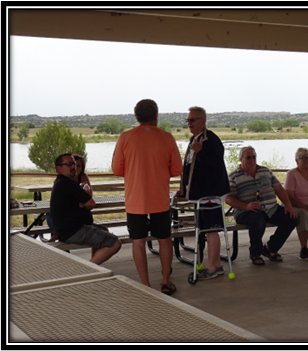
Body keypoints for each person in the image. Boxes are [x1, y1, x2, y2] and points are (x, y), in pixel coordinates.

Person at [112, 99, 183, 294]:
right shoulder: (167, 138)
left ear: (136, 117)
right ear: (156, 115)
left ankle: (145, 284)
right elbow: (177, 169)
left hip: (135, 201)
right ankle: (166, 281)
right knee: (164, 239)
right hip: (159, 198)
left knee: (138, 241)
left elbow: (117, 169)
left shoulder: (125, 138)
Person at [179, 106, 230, 280]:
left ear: (203, 121)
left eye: (193, 120)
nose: (189, 123)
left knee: (211, 230)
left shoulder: (211, 140)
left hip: (210, 194)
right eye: (188, 120)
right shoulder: (195, 139)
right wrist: (184, 187)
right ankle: (215, 264)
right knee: (205, 229)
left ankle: (212, 266)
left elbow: (216, 165)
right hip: (199, 195)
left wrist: (200, 153)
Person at [225, 146, 298, 265]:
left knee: (292, 218)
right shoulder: (234, 176)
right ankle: (255, 253)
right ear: (240, 159)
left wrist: (288, 206)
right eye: (248, 157)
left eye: (254, 157)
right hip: (246, 211)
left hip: (271, 208)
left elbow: (279, 189)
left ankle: (270, 248)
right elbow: (228, 199)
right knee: (257, 221)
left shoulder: (265, 171)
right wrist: (246, 206)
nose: (252, 160)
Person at [50, 153, 121, 264]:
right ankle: (90, 269)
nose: (73, 167)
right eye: (68, 164)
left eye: (74, 163)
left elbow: (88, 202)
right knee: (115, 243)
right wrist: (85, 203)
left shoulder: (61, 183)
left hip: (71, 229)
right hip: (74, 231)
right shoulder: (68, 184)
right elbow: (91, 203)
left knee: (103, 230)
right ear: (59, 168)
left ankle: (95, 265)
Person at [47, 153, 92, 241]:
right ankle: (57, 234)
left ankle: (58, 235)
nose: (75, 167)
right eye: (70, 164)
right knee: (49, 214)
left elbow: (89, 196)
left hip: (77, 220)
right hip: (68, 224)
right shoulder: (66, 180)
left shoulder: (83, 177)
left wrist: (83, 200)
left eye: (77, 165)